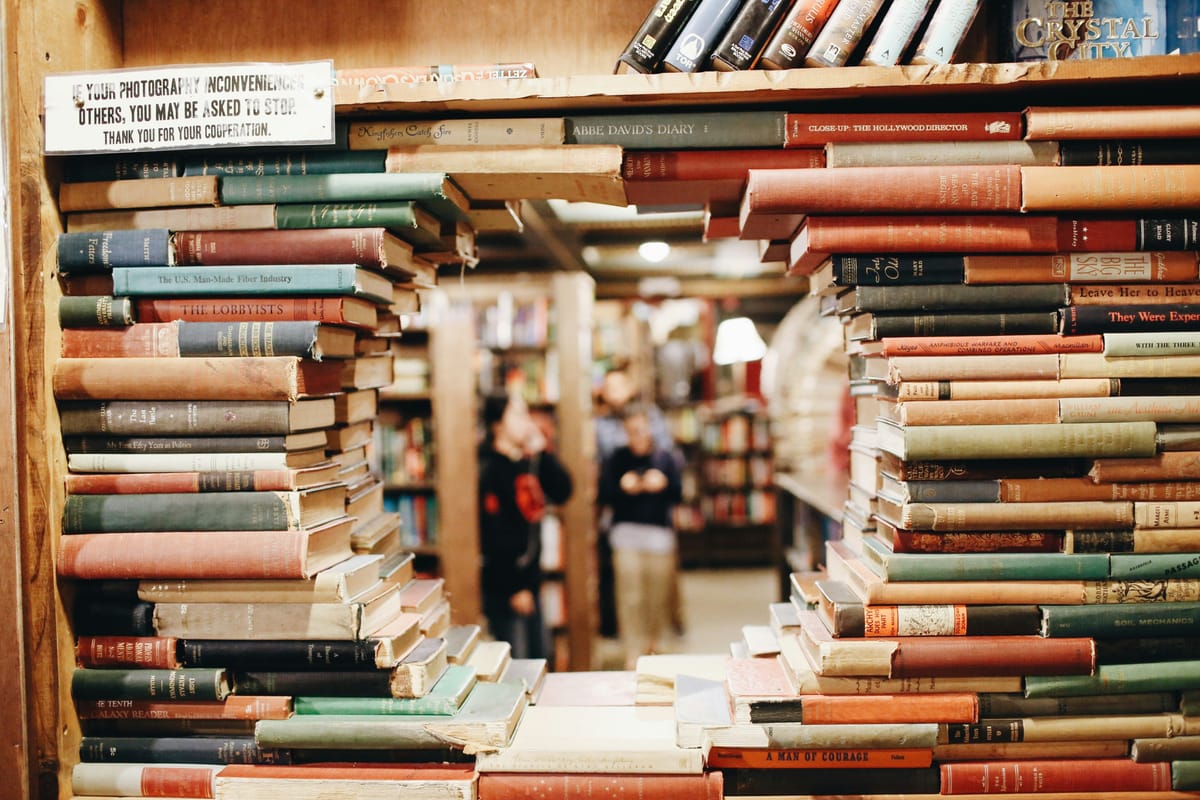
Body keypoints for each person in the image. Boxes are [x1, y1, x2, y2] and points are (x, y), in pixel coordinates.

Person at [478, 390, 573, 661]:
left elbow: (563, 491)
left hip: (531, 583)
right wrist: (514, 587)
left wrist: (544, 450)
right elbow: (493, 534)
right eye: (518, 414)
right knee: (518, 665)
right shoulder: (488, 468)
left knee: (541, 659)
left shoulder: (526, 463)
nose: (527, 421)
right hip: (506, 588)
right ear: (498, 423)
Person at [594, 365, 684, 642]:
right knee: (629, 594)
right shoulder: (608, 439)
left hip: (658, 530)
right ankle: (633, 647)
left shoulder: (663, 453)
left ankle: (656, 642)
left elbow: (676, 488)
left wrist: (662, 481)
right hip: (625, 529)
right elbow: (605, 487)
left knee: (656, 594)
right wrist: (623, 486)